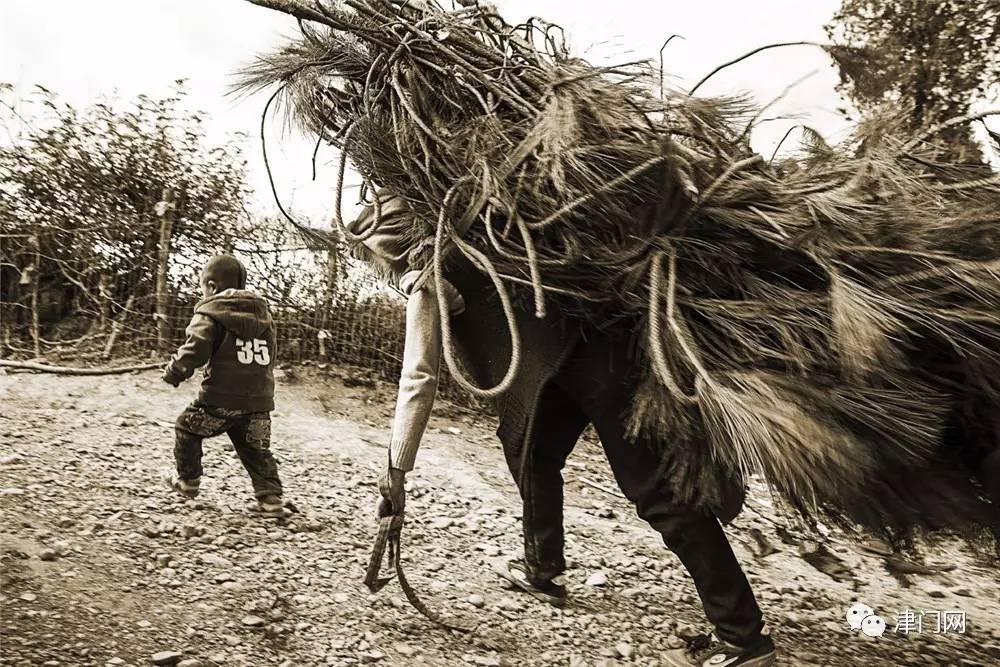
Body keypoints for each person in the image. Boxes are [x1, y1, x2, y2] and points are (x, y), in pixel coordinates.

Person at [349, 192, 776, 667]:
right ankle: (542, 569)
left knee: (659, 496)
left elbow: (418, 377)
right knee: (528, 450)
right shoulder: (480, 230)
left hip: (596, 361)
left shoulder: (430, 276)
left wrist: (396, 468)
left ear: (388, 249)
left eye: (373, 260)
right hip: (563, 364)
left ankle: (743, 637)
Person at [162, 254, 285, 517]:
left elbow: (195, 349)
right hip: (258, 401)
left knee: (186, 427)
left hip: (221, 399)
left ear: (212, 287)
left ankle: (188, 481)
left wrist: (175, 371)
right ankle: (271, 498)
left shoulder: (210, 312)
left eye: (203, 288)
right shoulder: (264, 316)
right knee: (255, 448)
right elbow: (272, 355)